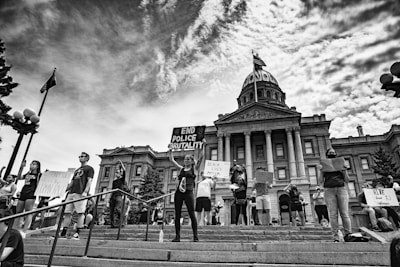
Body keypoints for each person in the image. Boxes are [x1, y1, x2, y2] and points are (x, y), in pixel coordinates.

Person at [168, 140, 205, 242]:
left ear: (192, 161)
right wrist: (171, 149)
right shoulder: (181, 169)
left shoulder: (195, 169)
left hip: (189, 192)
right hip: (179, 193)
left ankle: (195, 236)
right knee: (177, 214)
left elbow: (202, 156)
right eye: (185, 159)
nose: (186, 160)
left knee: (191, 213)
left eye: (188, 159)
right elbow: (171, 160)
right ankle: (177, 236)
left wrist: (203, 145)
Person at [319, 148, 352, 242]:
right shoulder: (325, 165)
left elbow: (347, 180)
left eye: (333, 153)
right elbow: (320, 181)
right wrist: (321, 171)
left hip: (341, 189)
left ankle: (348, 234)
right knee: (333, 215)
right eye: (330, 153)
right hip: (329, 190)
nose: (332, 154)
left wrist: (345, 170)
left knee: (344, 214)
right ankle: (335, 236)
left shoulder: (340, 164)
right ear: (327, 155)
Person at [60, 152, 94, 239]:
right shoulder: (77, 170)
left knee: (80, 212)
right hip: (72, 193)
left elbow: (89, 180)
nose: (80, 158)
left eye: (82, 156)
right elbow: (72, 182)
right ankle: (63, 232)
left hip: (80, 192)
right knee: (67, 213)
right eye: (79, 156)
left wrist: (85, 191)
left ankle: (78, 232)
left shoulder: (89, 169)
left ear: (87, 158)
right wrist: (64, 190)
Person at [15, 160, 42, 235]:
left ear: (37, 166)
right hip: (23, 192)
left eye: (34, 164)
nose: (32, 165)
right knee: (18, 211)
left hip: (31, 193)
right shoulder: (28, 173)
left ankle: (24, 230)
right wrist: (21, 168)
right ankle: (16, 228)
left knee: (28, 212)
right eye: (31, 164)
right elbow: (18, 178)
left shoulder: (39, 174)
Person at [109, 160, 128, 228]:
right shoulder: (114, 181)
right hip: (113, 196)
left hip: (119, 196)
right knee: (112, 210)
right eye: (116, 173)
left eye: (117, 173)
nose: (116, 174)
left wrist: (121, 163)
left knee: (118, 209)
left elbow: (124, 170)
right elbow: (112, 190)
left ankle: (121, 223)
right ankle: (113, 224)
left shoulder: (122, 180)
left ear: (120, 174)